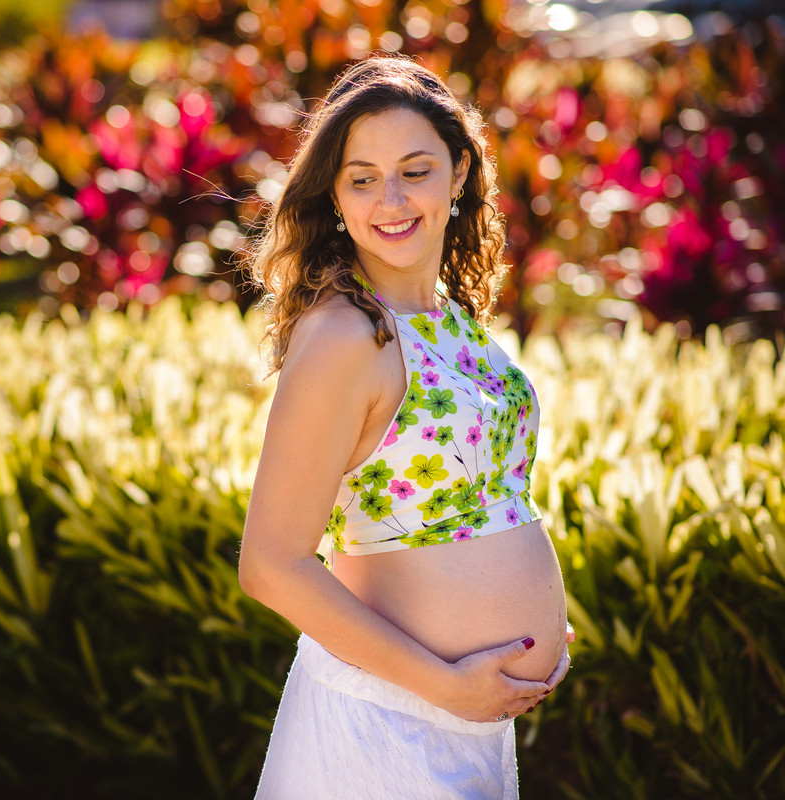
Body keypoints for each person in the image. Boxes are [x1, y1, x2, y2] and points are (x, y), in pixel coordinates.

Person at [238, 54, 573, 799]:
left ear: (458, 173)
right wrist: (445, 683)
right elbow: (269, 565)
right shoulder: (343, 335)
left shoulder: (448, 317)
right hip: (387, 725)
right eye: (362, 178)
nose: (389, 199)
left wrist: (525, 628)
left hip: (466, 723)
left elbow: (477, 507)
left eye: (414, 170)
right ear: (335, 195)